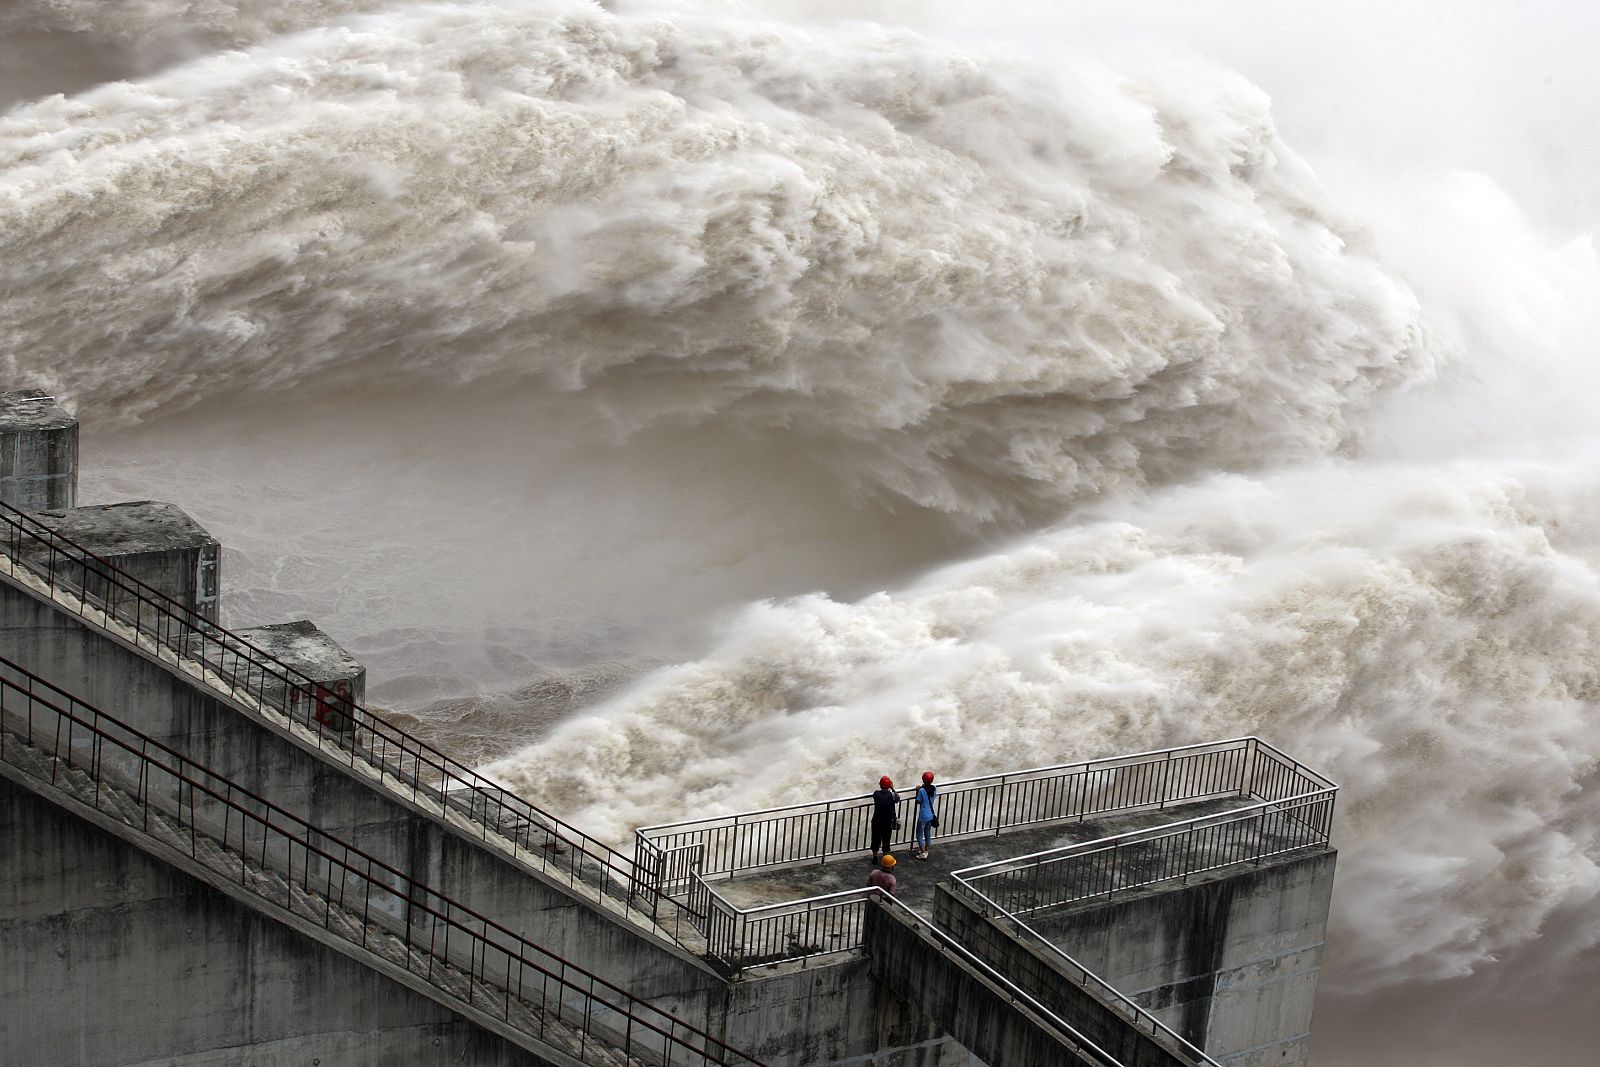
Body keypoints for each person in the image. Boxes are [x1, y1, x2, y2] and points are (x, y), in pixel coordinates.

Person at [870, 775, 899, 861]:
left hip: (876, 821)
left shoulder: (876, 794)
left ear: (880, 785)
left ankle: (875, 857)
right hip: (887, 822)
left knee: (875, 840)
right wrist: (893, 788)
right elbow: (897, 798)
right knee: (886, 841)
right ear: (889, 785)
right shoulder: (892, 795)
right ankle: (885, 859)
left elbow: (876, 795)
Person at [913, 770, 938, 859]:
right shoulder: (934, 788)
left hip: (923, 816)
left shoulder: (922, 791)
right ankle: (926, 850)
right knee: (927, 832)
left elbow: (918, 801)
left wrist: (917, 791)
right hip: (931, 815)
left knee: (919, 834)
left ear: (923, 779)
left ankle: (923, 853)